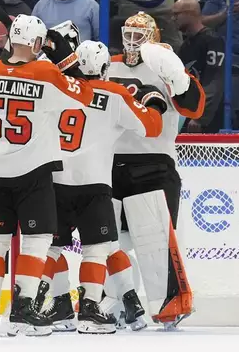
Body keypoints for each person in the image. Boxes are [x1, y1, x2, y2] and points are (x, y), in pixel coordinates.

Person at [0, 14, 94, 337]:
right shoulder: (45, 72)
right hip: (32, 172)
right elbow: (85, 95)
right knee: (37, 241)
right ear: (38, 44)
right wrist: (66, 58)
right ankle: (24, 307)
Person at [34, 40, 165, 334]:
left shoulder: (59, 87)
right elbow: (153, 128)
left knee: (49, 248)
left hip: (53, 181)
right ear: (105, 68)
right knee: (99, 248)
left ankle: (38, 305)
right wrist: (154, 103)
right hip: (94, 184)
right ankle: (99, 308)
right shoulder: (115, 93)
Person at [105, 11, 205, 330]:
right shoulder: (107, 65)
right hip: (108, 165)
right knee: (108, 242)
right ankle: (116, 300)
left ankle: (171, 304)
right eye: (128, 33)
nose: (132, 41)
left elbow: (195, 106)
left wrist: (179, 80)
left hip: (154, 164)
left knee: (156, 244)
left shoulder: (166, 64)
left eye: (140, 35)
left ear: (154, 36)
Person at [173, 0, 225, 133]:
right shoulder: (185, 45)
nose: (173, 19)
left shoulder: (213, 40)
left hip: (206, 116)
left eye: (176, 14)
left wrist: (201, 116)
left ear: (190, 14)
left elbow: (215, 81)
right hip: (188, 112)